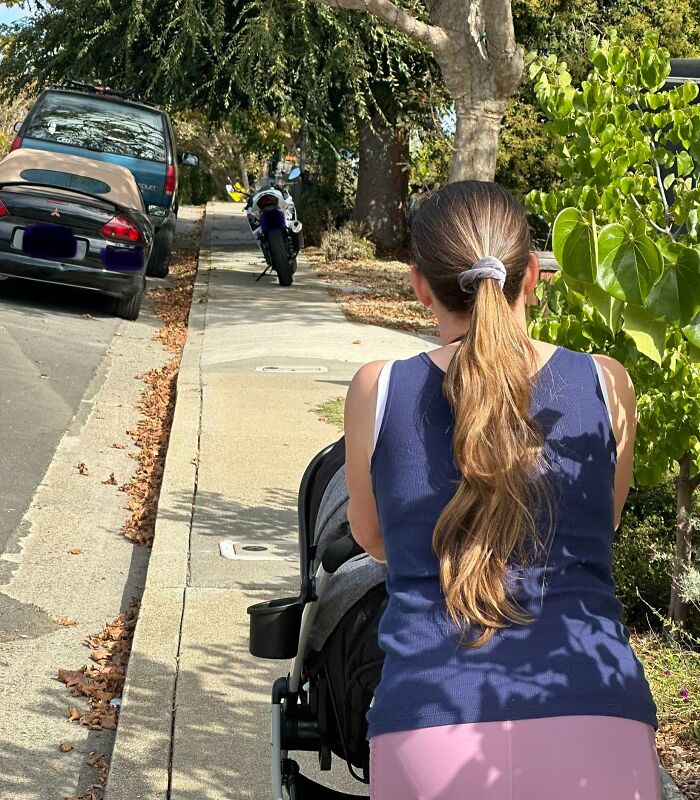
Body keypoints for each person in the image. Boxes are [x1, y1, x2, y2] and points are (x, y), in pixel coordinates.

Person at [344, 181, 659, 800]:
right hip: (600, 720)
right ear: (533, 278)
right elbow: (603, 523)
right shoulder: (605, 382)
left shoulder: (376, 390)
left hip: (430, 727)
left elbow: (373, 537)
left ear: (419, 284)